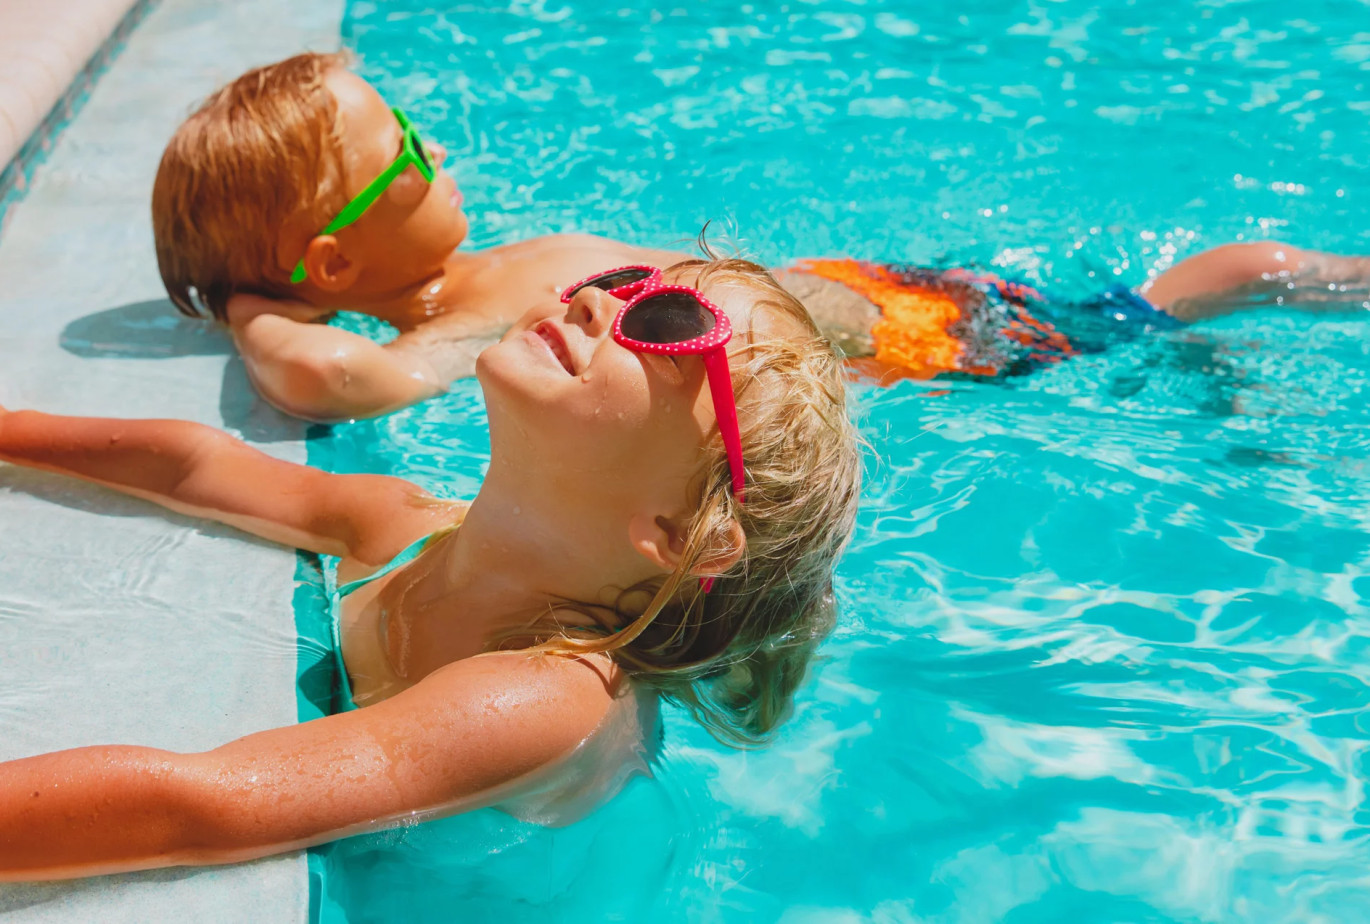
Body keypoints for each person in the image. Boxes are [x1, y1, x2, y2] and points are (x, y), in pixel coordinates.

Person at [0, 257, 862, 881]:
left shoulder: (544, 697)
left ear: (682, 533)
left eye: (669, 326)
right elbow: (197, 467)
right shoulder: (412, 526)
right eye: (628, 279)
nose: (601, 301)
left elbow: (206, 806)